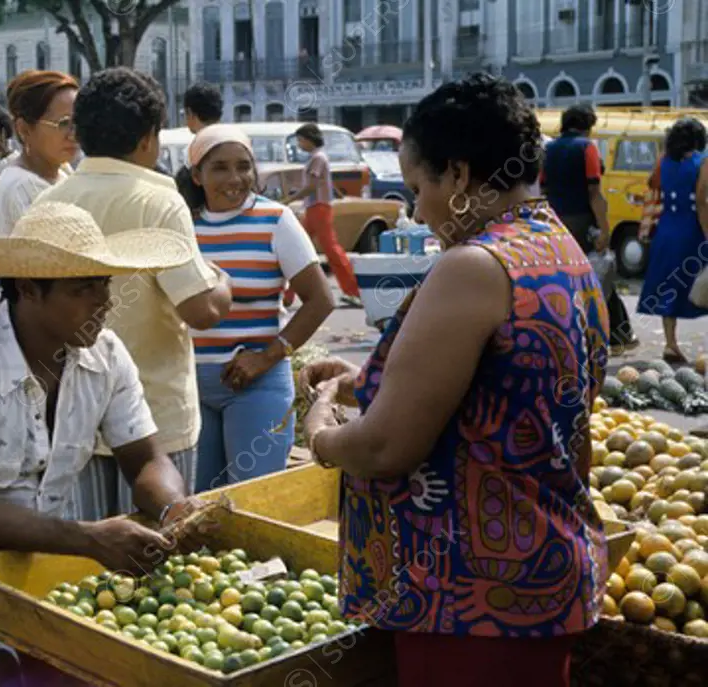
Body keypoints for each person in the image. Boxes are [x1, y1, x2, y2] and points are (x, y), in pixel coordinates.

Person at [300, 74, 609, 687]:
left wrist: (321, 430)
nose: (416, 211)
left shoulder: (474, 265)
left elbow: (387, 448)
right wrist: (370, 379)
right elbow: (506, 387)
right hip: (538, 577)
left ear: (460, 176)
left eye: (418, 188)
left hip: (471, 600)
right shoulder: (558, 248)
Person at [0, 201, 207, 687]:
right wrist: (90, 539)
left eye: (104, 285)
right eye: (82, 289)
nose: (104, 301)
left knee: (103, 660)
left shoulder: (106, 357)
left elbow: (146, 459)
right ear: (28, 290)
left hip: (28, 554)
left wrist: (173, 508)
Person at [37, 67, 232, 519]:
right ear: (148, 138)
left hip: (71, 418)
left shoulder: (50, 202)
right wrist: (222, 282)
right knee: (156, 559)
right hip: (154, 423)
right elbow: (200, 309)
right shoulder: (157, 200)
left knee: (85, 567)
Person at [178, 124, 333, 491]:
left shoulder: (275, 220)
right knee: (202, 506)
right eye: (220, 168)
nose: (235, 178)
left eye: (244, 166)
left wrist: (265, 358)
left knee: (253, 499)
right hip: (190, 388)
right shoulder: (182, 223)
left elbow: (321, 300)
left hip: (257, 386)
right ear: (197, 175)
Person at [0, 70, 79, 324]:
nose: (73, 134)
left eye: (78, 122)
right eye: (63, 123)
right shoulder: (20, 185)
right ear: (23, 129)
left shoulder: (61, 171)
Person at [542, 104, 638, 356]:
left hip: (555, 223)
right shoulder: (587, 148)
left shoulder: (546, 150)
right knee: (599, 277)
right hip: (581, 222)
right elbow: (594, 193)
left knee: (562, 280)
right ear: (588, 126)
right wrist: (604, 229)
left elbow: (543, 189)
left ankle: (567, 335)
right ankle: (619, 335)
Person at [637, 118, 708, 363]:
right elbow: (702, 201)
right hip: (692, 231)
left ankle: (670, 343)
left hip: (666, 230)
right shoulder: (702, 162)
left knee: (669, 285)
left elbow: (651, 184)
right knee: (701, 284)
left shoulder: (663, 162)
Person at [283, 123, 361, 308]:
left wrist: (287, 200)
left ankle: (353, 291)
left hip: (318, 208)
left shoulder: (317, 158)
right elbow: (324, 182)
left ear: (310, 139)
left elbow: (311, 186)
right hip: (315, 208)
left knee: (329, 251)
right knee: (298, 250)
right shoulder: (318, 158)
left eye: (301, 140)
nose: (300, 144)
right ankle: (287, 295)